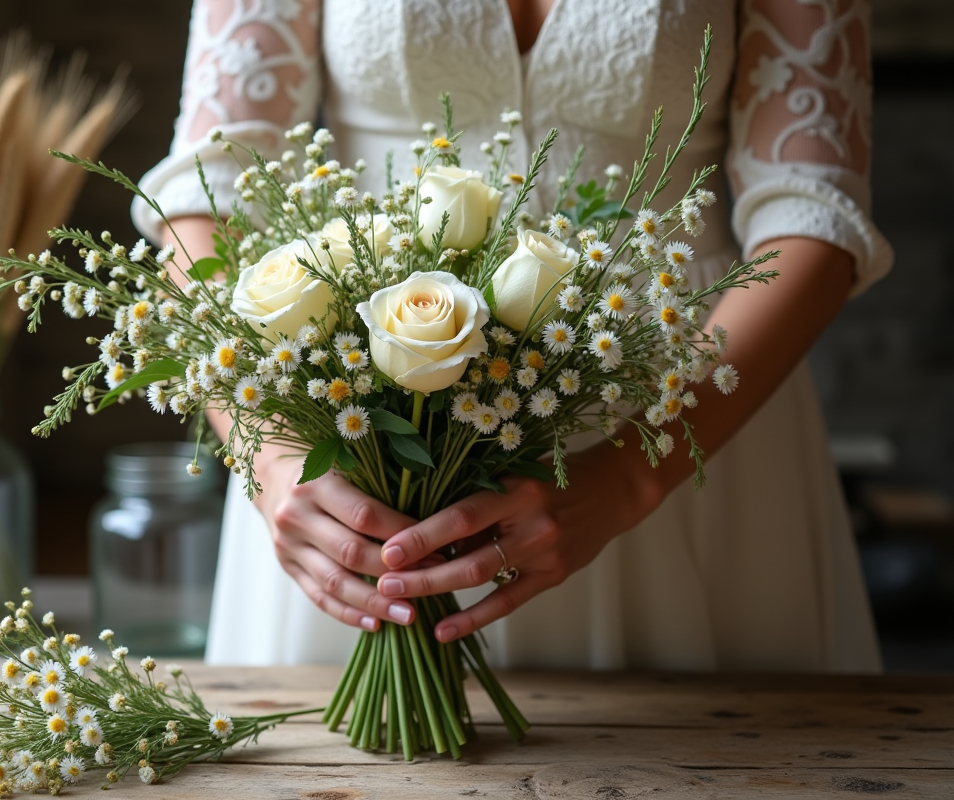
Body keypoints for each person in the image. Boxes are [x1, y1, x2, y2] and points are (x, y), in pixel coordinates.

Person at [132, 0, 892, 672]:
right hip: (355, 430)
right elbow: (202, 201)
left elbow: (814, 216)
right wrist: (271, 455)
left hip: (678, 418)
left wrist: (629, 479)